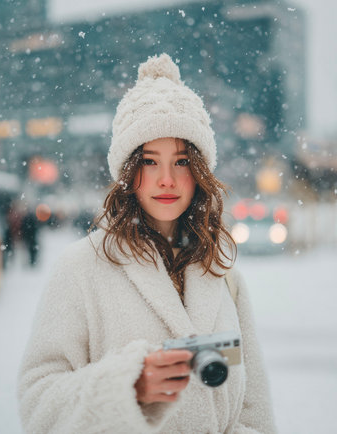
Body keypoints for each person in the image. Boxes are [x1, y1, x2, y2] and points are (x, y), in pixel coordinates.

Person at [18, 54, 276, 433]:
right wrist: (125, 387)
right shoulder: (80, 268)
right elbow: (37, 405)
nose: (167, 179)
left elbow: (254, 410)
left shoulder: (222, 272)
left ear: (201, 171)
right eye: (150, 161)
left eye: (183, 161)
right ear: (127, 171)